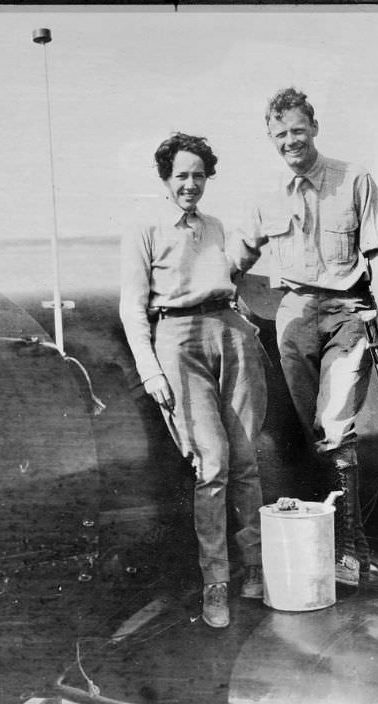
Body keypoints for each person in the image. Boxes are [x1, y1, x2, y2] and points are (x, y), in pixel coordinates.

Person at [229, 88, 378, 587]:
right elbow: (237, 258)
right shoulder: (265, 196)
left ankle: (351, 549)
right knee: (316, 433)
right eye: (280, 134)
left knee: (334, 421)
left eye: (297, 130)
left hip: (350, 313)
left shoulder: (355, 179)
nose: (290, 141)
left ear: (314, 128)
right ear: (270, 139)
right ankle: (346, 543)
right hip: (295, 315)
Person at [119, 132, 268, 628]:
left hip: (229, 333)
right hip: (177, 341)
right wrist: (149, 368)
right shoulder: (144, 227)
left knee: (247, 460)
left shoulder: (217, 226)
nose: (190, 184)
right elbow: (132, 305)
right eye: (181, 175)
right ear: (165, 179)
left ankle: (255, 569)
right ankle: (216, 583)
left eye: (199, 175)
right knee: (212, 463)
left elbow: (226, 276)